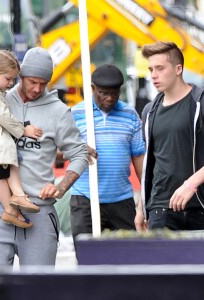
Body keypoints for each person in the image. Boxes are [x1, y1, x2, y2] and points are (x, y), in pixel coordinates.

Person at [0, 47, 89, 267]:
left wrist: (61, 187)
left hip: (39, 211)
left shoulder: (59, 111)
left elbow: (80, 154)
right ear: (21, 76)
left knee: (37, 289)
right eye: (32, 81)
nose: (37, 89)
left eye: (43, 83)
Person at [140, 41, 204, 231]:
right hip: (161, 209)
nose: (153, 75)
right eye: (151, 69)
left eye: (160, 68)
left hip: (202, 208)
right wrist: (141, 207)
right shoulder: (149, 111)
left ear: (178, 69)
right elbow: (151, 162)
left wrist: (191, 184)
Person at [70, 64, 145, 248]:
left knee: (126, 260)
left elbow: (139, 160)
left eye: (115, 93)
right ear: (92, 89)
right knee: (87, 260)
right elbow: (57, 152)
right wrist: (78, 147)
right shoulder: (76, 114)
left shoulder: (130, 115)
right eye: (104, 93)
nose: (110, 98)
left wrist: (145, 200)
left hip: (121, 201)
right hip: (84, 200)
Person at [0, 50, 43, 229]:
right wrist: (23, 130)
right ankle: (11, 206)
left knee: (3, 168)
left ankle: (16, 199)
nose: (11, 83)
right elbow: (3, 116)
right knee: (2, 166)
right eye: (8, 79)